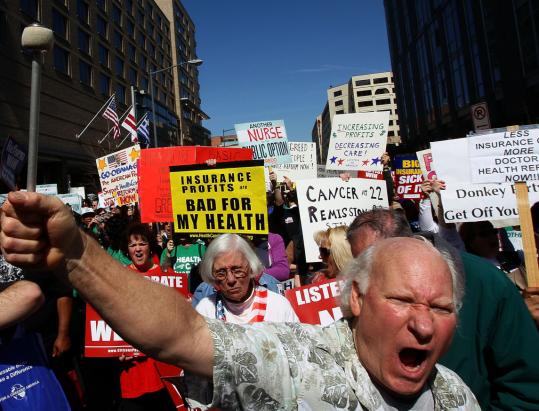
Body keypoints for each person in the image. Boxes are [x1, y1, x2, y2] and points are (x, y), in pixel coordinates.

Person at [0, 192, 479, 409]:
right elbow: (183, 333)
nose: (423, 325)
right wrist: (81, 255)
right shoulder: (301, 361)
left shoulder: (458, 398)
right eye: (401, 300)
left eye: (440, 308)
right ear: (355, 298)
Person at [346, 208, 539, 410]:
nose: (423, 326)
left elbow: (526, 390)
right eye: (360, 261)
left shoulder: (487, 283)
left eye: (440, 307)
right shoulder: (358, 287)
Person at [118, 223, 176, 411]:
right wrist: (114, 348)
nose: (137, 249)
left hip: (164, 368)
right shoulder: (118, 278)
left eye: (142, 243)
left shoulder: (167, 275)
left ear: (150, 246)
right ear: (127, 250)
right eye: (132, 245)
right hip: (134, 370)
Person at [194, 234, 297, 323]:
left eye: (237, 270)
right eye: (221, 273)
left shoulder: (278, 306)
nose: (231, 280)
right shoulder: (205, 310)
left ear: (251, 268)